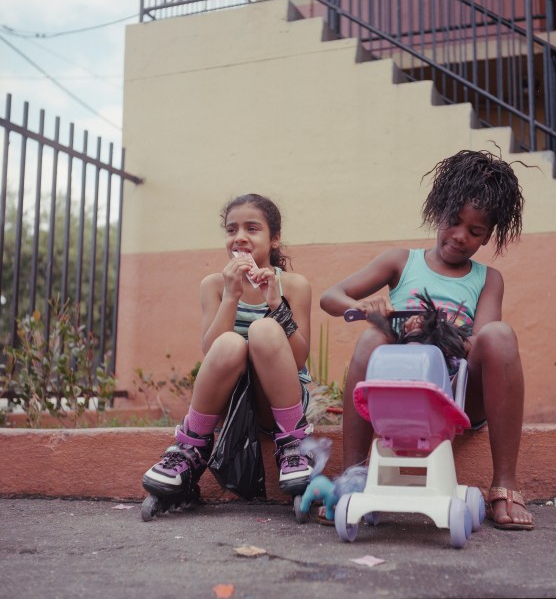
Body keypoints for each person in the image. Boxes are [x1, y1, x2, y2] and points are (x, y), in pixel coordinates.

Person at [320, 149, 534, 530]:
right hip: (397, 394)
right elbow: (330, 297)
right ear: (438, 210)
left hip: (456, 397)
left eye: (475, 230)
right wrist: (368, 309)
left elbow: (480, 343)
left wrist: (439, 329)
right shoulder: (401, 262)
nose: (459, 236)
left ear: (488, 236)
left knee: (500, 335)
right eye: (453, 221)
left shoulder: (488, 279)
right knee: (370, 341)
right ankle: (352, 476)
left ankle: (504, 484)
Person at [143, 193, 314, 501]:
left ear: (274, 239)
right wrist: (231, 296)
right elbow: (211, 352)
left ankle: (293, 443)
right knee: (230, 343)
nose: (240, 238)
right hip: (229, 402)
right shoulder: (213, 285)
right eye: (232, 230)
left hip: (276, 403)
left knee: (264, 330)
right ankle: (190, 447)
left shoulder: (294, 285)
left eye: (252, 229)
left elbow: (299, 358)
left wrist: (276, 303)